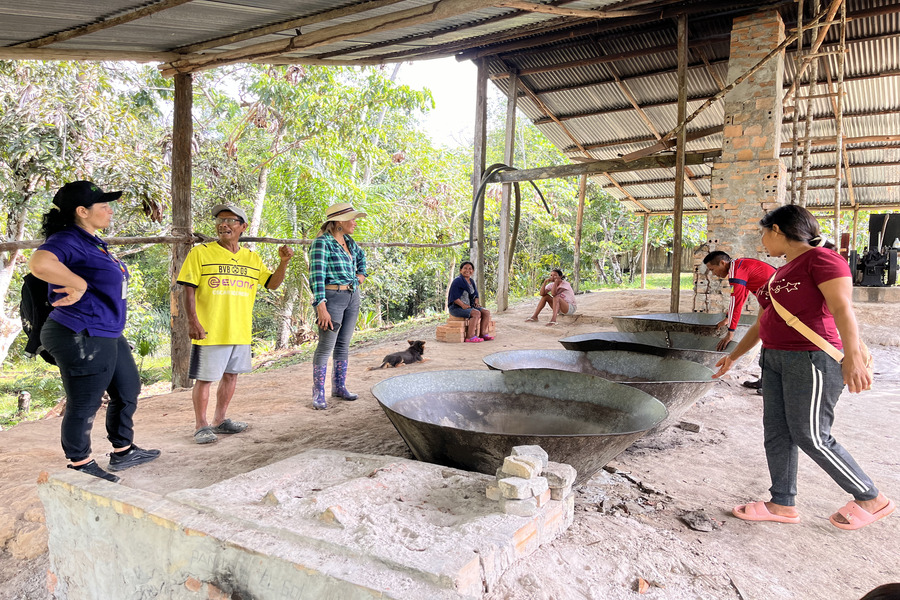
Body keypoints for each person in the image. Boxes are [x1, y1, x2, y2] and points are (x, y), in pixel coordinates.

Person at [713, 204, 893, 530]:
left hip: (810, 358)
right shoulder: (781, 272)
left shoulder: (823, 259)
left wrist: (852, 356)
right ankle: (781, 503)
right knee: (777, 433)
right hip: (775, 358)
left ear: (778, 230)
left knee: (811, 434)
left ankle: (870, 497)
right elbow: (764, 319)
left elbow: (842, 309)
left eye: (765, 234)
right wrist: (735, 355)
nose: (763, 242)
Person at [28, 181, 160, 482]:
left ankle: (123, 450)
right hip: (78, 331)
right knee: (85, 402)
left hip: (107, 330)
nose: (110, 210)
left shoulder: (94, 241)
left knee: (127, 391)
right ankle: (81, 462)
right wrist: (80, 284)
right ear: (82, 211)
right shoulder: (67, 239)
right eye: (103, 205)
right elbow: (39, 262)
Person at [176, 204, 293, 443]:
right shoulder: (201, 253)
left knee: (231, 376)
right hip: (209, 329)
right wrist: (192, 321)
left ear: (243, 227)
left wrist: (283, 262)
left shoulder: (252, 258)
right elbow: (188, 290)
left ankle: (220, 420)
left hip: (239, 329)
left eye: (230, 220)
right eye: (220, 220)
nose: (223, 224)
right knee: (205, 378)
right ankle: (201, 425)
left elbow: (271, 284)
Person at [309, 202, 368, 410]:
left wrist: (360, 276)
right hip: (331, 297)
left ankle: (339, 387)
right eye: (352, 219)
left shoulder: (349, 242)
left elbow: (362, 257)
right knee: (326, 346)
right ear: (338, 222)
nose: (355, 222)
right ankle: (318, 393)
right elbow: (316, 277)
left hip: (352, 296)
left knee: (343, 344)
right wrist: (321, 306)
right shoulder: (322, 243)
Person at [703, 251, 776, 352]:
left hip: (778, 297)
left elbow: (735, 302)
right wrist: (728, 318)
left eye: (712, 269)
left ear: (722, 263)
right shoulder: (739, 265)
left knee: (763, 327)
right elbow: (742, 296)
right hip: (773, 297)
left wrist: (730, 333)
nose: (714, 274)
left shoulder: (736, 272)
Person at [448, 261, 493, 342]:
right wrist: (463, 305)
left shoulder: (471, 281)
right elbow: (454, 298)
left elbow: (476, 295)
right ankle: (470, 337)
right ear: (460, 270)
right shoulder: (457, 281)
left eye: (470, 269)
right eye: (465, 268)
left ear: (473, 271)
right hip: (456, 308)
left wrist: (476, 303)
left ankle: (483, 334)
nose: (467, 270)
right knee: (476, 313)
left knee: (486, 312)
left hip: (470, 306)